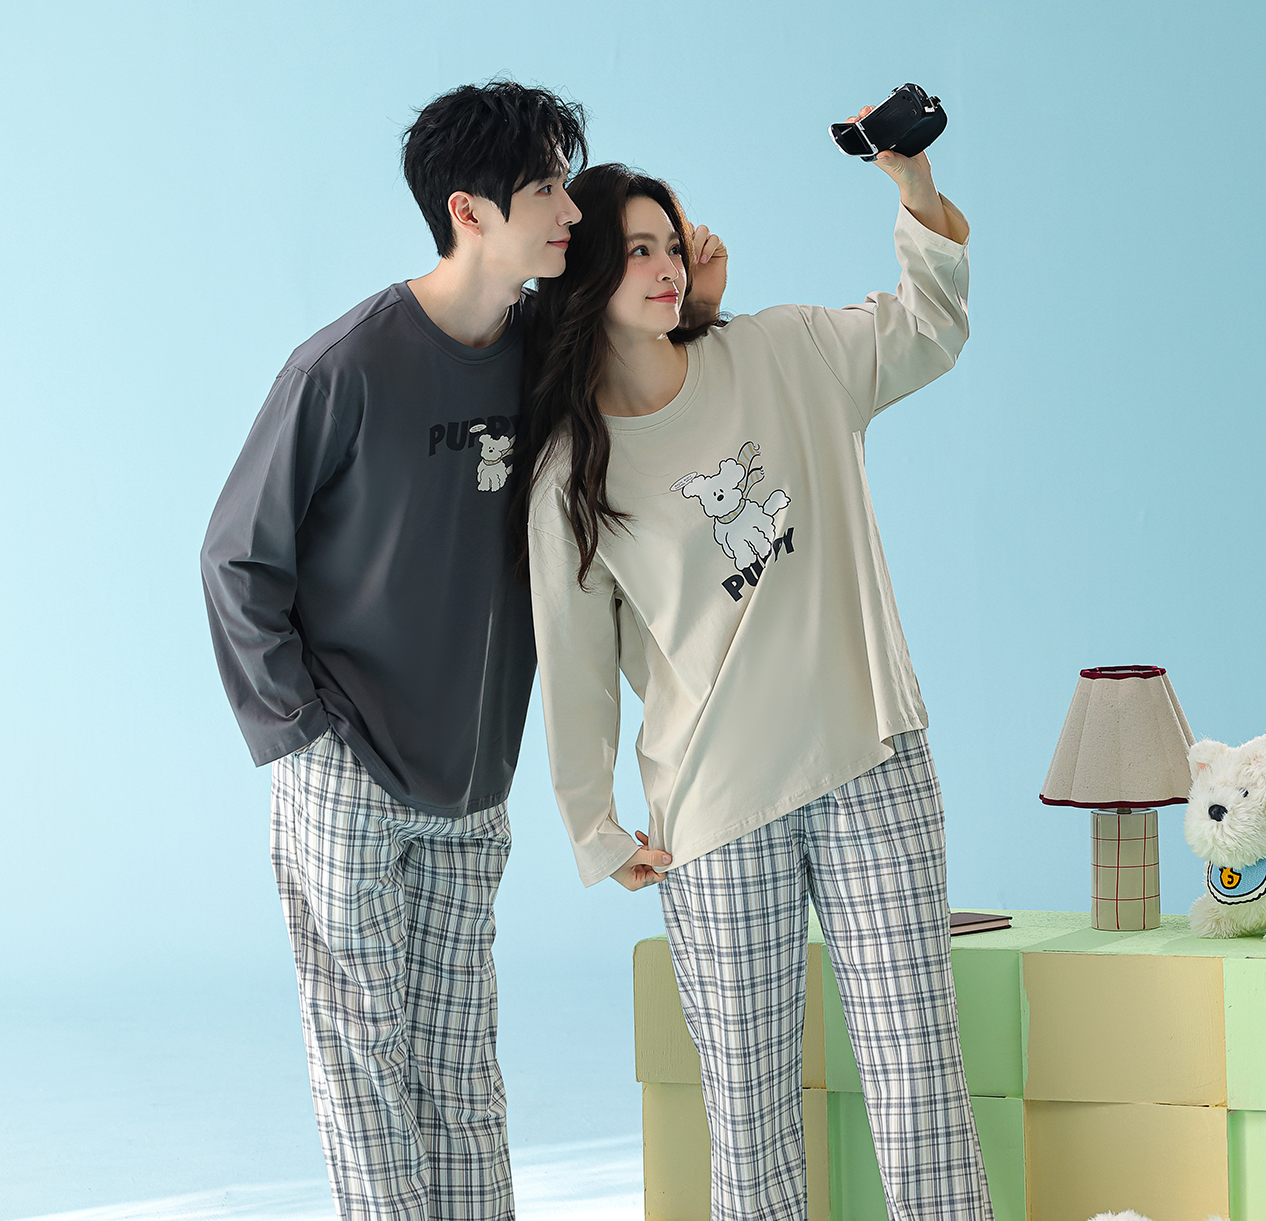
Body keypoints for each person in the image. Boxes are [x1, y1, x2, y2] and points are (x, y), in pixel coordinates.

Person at [199, 79, 728, 1221]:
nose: (570, 213)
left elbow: (655, 385)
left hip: (474, 781)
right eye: (545, 189)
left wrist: (696, 303)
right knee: (367, 1070)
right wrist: (305, 739)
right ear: (470, 212)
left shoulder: (547, 351)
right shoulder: (343, 368)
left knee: (461, 1078)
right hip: (347, 772)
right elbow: (237, 558)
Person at [519, 108, 994, 1221]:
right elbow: (572, 661)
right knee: (749, 1119)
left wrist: (912, 184)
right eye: (634, 249)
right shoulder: (571, 474)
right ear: (586, 275)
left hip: (866, 758)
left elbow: (929, 325)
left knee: (918, 1081)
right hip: (716, 807)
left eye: (670, 244)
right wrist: (593, 824)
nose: (664, 265)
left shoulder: (785, 353)